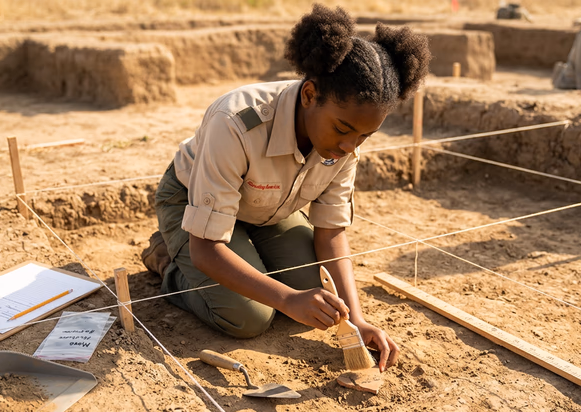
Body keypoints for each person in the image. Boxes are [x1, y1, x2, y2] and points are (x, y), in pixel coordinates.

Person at [140, 4, 430, 372]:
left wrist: (356, 318)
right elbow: (207, 249)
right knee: (249, 318)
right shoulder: (236, 122)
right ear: (309, 95)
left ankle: (250, 251)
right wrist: (288, 298)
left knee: (325, 301)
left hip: (268, 208)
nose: (350, 147)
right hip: (192, 202)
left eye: (364, 136)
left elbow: (330, 232)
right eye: (342, 130)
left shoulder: (347, 137)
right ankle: (165, 257)